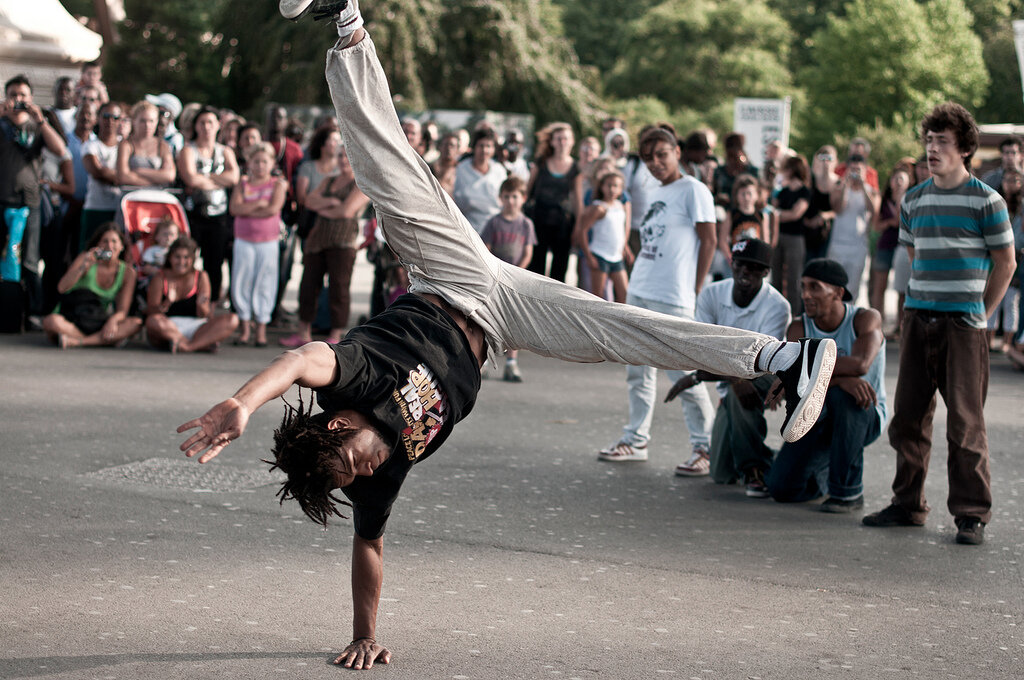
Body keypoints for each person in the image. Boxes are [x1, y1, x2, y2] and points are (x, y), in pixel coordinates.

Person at [180, 3, 837, 669]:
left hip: (446, 274)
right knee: (624, 332)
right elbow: (369, 550)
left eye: (354, 457)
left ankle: (344, 19)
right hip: (502, 320)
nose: (369, 468)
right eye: (360, 475)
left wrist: (243, 402)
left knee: (384, 168)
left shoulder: (353, 378)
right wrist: (363, 632)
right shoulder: (376, 473)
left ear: (334, 425)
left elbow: (302, 358)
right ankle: (783, 356)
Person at [862, 103, 1016, 546]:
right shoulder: (913, 199)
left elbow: (1005, 263)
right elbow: (914, 260)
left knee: (965, 423)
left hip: (963, 326)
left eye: (942, 142)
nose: (932, 149)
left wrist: (982, 315)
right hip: (917, 320)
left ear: (964, 148)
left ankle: (971, 513)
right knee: (908, 417)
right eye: (929, 141)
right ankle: (908, 504)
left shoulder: (987, 201)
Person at [597, 128, 717, 476]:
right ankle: (635, 440)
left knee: (684, 374)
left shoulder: (694, 190)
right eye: (649, 158)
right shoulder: (655, 189)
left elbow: (708, 241)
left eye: (662, 154)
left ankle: (705, 447)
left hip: (674, 296)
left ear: (678, 152)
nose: (655, 163)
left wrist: (694, 291)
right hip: (642, 289)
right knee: (638, 371)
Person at [665, 239, 791, 497]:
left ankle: (754, 469)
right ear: (731, 264)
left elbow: (763, 365)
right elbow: (701, 352)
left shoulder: (777, 305)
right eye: (741, 264)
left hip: (770, 380)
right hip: (728, 378)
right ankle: (782, 462)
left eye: (754, 267)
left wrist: (703, 377)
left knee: (740, 389)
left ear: (766, 272)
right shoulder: (711, 294)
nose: (745, 272)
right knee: (721, 473)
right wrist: (723, 375)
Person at [766, 259, 886, 512]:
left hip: (861, 414)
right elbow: (799, 376)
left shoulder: (864, 319)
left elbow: (861, 364)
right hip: (815, 419)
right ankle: (827, 470)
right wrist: (843, 378)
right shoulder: (799, 327)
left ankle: (847, 492)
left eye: (815, 287)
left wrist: (818, 376)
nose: (806, 295)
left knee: (846, 397)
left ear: (839, 293)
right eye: (803, 287)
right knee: (781, 489)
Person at [280, 144, 370, 347]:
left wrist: (327, 207)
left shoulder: (360, 184)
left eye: (348, 156)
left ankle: (336, 333)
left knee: (339, 288)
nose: (343, 160)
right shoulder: (329, 181)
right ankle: (303, 332)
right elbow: (310, 200)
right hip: (318, 239)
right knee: (308, 286)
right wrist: (331, 203)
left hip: (343, 242)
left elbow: (347, 211)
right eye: (340, 156)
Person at [0, 75, 67, 323]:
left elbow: (61, 150)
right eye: (13, 95)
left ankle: (34, 312)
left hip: (30, 203)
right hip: (1, 200)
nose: (18, 100)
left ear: (31, 99)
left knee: (29, 259)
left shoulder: (37, 126)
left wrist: (41, 121)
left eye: (23, 96)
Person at [178, 106, 240, 306]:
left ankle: (211, 306)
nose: (206, 127)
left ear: (218, 126)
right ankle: (187, 301)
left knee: (214, 264)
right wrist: (218, 180)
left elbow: (234, 177)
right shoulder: (188, 150)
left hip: (219, 216)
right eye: (202, 122)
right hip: (193, 214)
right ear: (196, 125)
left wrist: (204, 178)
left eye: (210, 123)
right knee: (186, 260)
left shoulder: (225, 151)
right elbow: (190, 179)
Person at [42, 224, 141, 348]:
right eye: (105, 241)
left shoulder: (127, 272)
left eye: (114, 241)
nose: (109, 246)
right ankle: (102, 340)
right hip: (73, 317)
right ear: (97, 245)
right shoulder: (86, 258)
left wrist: (112, 321)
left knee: (136, 323)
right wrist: (83, 267)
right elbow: (62, 288)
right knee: (51, 322)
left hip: (97, 318)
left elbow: (122, 310)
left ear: (121, 246)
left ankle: (78, 341)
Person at [230, 142, 288, 347]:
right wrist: (258, 204)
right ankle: (245, 328)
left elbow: (272, 209)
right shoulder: (243, 183)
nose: (260, 165)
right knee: (242, 281)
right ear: (249, 163)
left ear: (271, 163)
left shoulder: (277, 184)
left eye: (264, 161)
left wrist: (248, 208)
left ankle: (261, 330)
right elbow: (235, 208)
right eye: (256, 161)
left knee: (266, 282)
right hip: (244, 240)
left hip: (267, 241)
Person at [479, 176, 537, 382]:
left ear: (523, 198)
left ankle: (511, 363)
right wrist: (494, 271)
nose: (511, 201)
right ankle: (482, 361)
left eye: (515, 196)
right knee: (488, 320)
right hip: (494, 279)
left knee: (514, 322)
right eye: (507, 196)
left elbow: (528, 252)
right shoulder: (494, 222)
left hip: (515, 281)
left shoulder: (526, 224)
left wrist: (517, 271)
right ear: (500, 198)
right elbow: (485, 249)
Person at [145, 236, 239, 353]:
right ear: (170, 258)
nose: (181, 262)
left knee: (232, 319)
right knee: (153, 322)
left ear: (193, 259)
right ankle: (195, 343)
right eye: (177, 257)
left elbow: (206, 315)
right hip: (168, 327)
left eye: (186, 257)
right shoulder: (160, 277)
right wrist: (167, 302)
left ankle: (188, 346)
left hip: (195, 326)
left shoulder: (201, 276)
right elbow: (151, 312)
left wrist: (202, 306)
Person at [526, 122, 581, 282]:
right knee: (535, 270)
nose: (562, 142)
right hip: (538, 221)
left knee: (559, 271)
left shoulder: (575, 168)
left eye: (566, 139)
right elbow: (528, 191)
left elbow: (578, 200)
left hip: (562, 224)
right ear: (552, 141)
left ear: (571, 141)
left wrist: (578, 226)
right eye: (558, 139)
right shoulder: (541, 162)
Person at [827, 153, 879, 303]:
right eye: (853, 169)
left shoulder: (870, 190)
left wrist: (863, 187)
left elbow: (873, 210)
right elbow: (838, 208)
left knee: (853, 288)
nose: (855, 173)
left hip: (858, 247)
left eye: (859, 170)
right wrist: (846, 186)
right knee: (834, 284)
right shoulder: (839, 187)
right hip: (838, 245)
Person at [575, 169, 631, 303]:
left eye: (616, 186)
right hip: (600, 256)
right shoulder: (599, 208)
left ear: (621, 189)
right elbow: (583, 231)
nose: (612, 189)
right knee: (598, 297)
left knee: (624, 294)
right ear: (602, 187)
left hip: (616, 257)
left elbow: (620, 230)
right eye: (609, 185)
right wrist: (589, 256)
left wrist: (625, 248)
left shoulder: (620, 206)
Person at [869, 162, 913, 328]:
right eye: (896, 178)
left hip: (903, 247)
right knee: (879, 288)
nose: (898, 182)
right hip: (886, 245)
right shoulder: (884, 198)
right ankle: (877, 323)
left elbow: (904, 222)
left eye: (902, 178)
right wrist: (889, 223)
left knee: (902, 289)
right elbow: (876, 225)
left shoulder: (910, 198)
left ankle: (899, 325)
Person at [80, 102, 124, 252]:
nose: (110, 121)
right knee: (90, 250)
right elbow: (97, 172)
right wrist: (124, 176)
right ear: (98, 118)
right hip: (96, 208)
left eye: (115, 117)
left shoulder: (125, 146)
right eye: (106, 116)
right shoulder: (90, 145)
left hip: (119, 208)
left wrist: (114, 174)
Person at [771, 154, 812, 314]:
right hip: (779, 236)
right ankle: (775, 312)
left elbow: (796, 213)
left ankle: (794, 315)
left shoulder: (804, 192)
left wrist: (778, 214)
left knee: (794, 278)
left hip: (795, 238)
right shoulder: (783, 191)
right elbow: (773, 208)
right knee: (776, 277)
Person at [452, 128, 507, 234]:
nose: (484, 150)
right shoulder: (461, 169)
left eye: (488, 146)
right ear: (474, 147)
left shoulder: (499, 170)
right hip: (468, 228)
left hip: (495, 229)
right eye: (481, 145)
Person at [116, 101, 176, 190]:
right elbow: (123, 176)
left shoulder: (162, 145)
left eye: (151, 121)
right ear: (134, 121)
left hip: (158, 197)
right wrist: (155, 182)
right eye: (142, 121)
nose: (147, 125)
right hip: (132, 197)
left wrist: (139, 171)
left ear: (156, 122)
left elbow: (169, 175)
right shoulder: (126, 144)